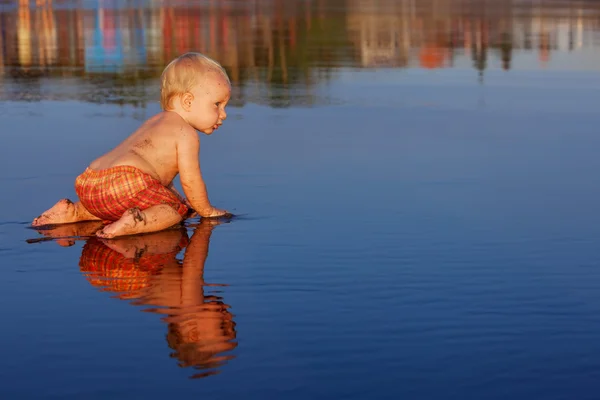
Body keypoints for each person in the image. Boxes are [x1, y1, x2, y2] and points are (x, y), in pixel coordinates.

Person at [31, 52, 231, 238]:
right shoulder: (186, 134)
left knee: (114, 202)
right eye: (217, 105)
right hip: (126, 181)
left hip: (90, 181)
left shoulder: (155, 122)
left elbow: (158, 182)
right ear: (188, 101)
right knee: (172, 211)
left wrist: (180, 199)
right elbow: (191, 181)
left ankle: (73, 212)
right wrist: (206, 210)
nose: (224, 114)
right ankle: (135, 222)